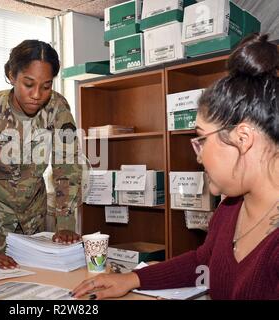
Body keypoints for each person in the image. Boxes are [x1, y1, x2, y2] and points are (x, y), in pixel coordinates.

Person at [72, 33, 279, 300]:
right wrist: (132, 279)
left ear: (243, 139)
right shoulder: (230, 208)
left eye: (202, 139)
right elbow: (202, 263)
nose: (198, 157)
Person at [0, 40, 82, 269]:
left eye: (46, 86)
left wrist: (65, 223)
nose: (37, 94)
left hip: (35, 218)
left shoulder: (58, 108)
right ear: (11, 75)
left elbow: (68, 166)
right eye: (28, 84)